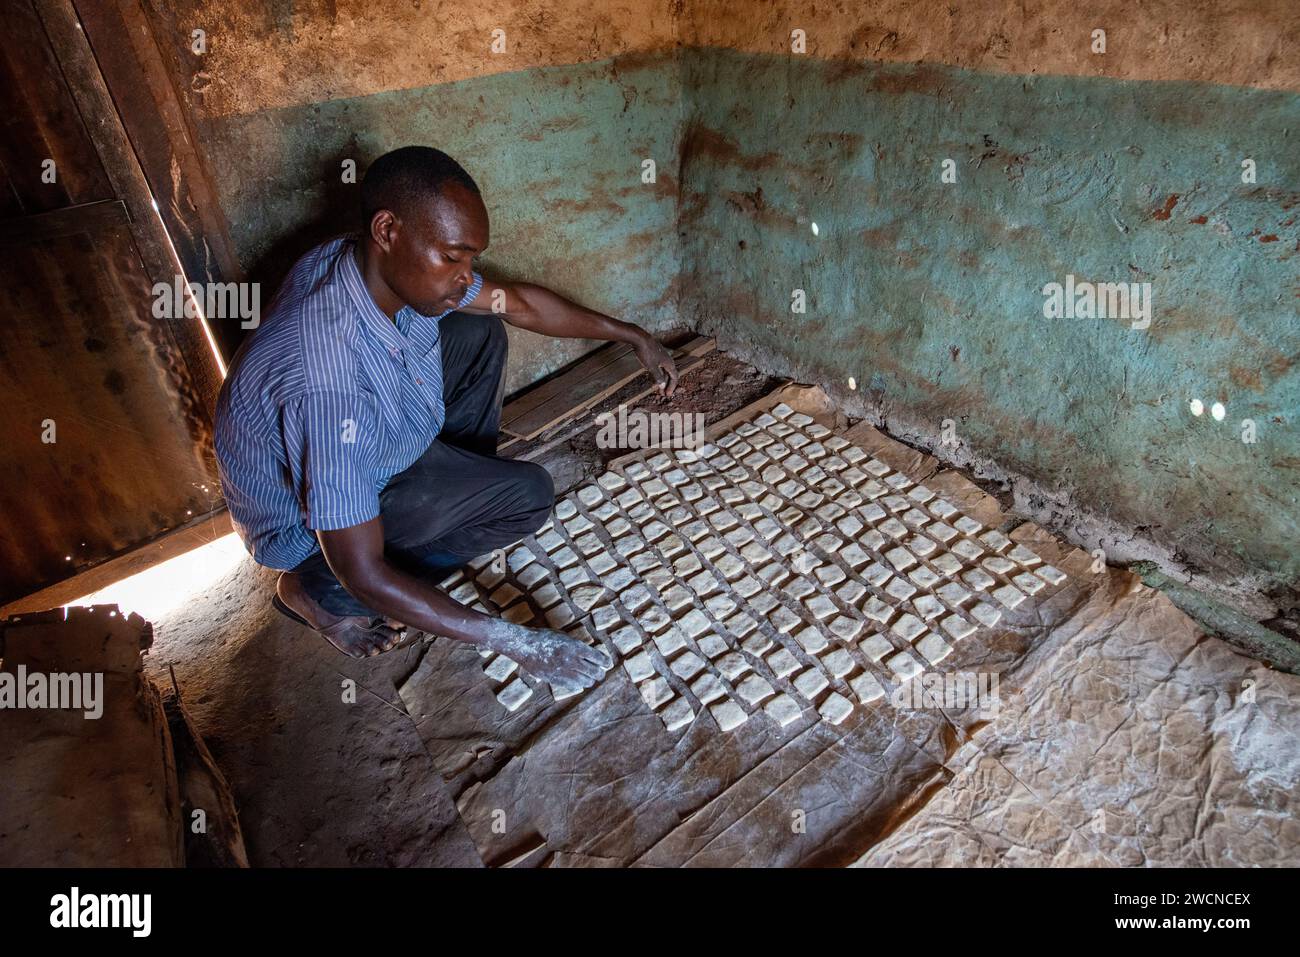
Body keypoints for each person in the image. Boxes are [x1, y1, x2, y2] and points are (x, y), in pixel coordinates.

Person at [213, 146, 678, 694]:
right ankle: (316, 591)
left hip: (376, 439)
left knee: (482, 328)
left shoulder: (366, 261)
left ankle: (454, 494)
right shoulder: (326, 379)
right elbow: (362, 566)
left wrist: (634, 336)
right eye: (454, 258)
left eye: (472, 259)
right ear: (387, 230)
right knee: (527, 495)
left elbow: (519, 304)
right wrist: (515, 641)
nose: (467, 276)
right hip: (304, 524)